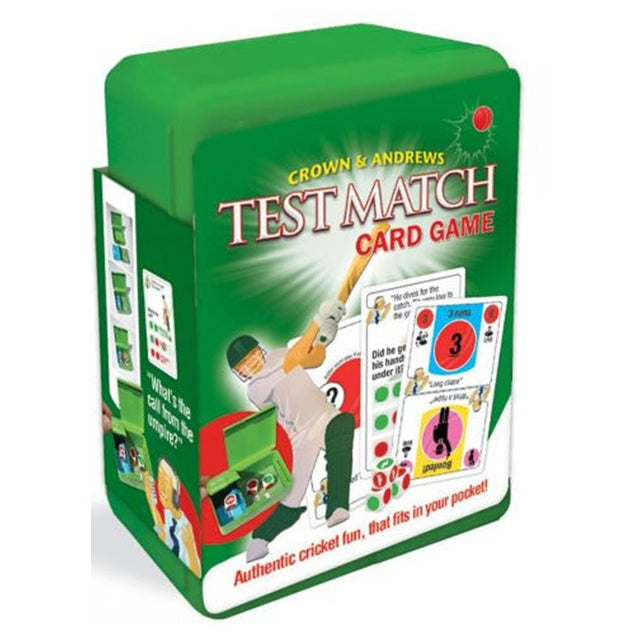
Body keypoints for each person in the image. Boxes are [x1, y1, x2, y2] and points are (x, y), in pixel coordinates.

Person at [226, 299, 355, 563]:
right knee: (290, 499)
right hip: (299, 434)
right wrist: (319, 318)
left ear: (260, 351)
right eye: (244, 366)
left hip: (325, 414)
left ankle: (337, 506)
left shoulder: (278, 354)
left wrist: (323, 339)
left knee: (343, 426)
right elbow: (294, 357)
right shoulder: (256, 389)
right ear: (240, 373)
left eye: (252, 358)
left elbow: (313, 359)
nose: (251, 366)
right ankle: (260, 539)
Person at [144, 459, 201, 576]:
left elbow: (197, 573)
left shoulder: (186, 527)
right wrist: (151, 501)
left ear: (176, 488)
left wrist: (191, 548)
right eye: (160, 480)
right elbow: (163, 535)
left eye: (166, 481)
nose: (161, 488)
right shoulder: (169, 516)